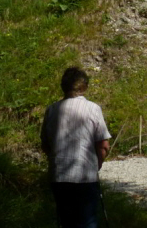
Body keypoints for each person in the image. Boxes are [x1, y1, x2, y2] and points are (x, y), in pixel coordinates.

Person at [41, 67, 111, 228]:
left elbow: (45, 144)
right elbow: (103, 144)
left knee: (66, 220)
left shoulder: (52, 109)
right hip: (85, 175)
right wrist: (97, 163)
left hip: (58, 175)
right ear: (84, 86)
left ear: (63, 86)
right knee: (87, 221)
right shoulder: (93, 108)